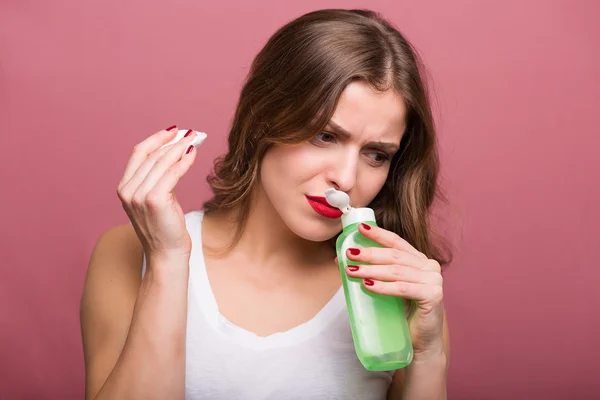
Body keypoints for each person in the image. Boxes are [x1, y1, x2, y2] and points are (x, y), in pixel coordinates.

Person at [80, 8, 452, 400]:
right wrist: (169, 262)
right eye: (325, 136)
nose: (345, 178)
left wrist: (428, 356)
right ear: (264, 119)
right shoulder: (127, 254)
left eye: (376, 154)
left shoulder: (400, 291)